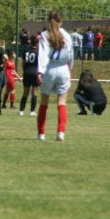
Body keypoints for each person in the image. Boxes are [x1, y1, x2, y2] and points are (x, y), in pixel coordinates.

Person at [36, 11, 74, 141]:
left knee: (44, 102)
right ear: (61, 21)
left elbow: (42, 54)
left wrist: (40, 72)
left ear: (48, 21)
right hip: (63, 68)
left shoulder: (44, 35)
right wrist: (70, 71)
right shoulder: (67, 36)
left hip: (49, 68)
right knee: (62, 102)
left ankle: (41, 134)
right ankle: (60, 132)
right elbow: (70, 56)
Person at [18, 35, 40, 116]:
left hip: (27, 73)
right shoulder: (38, 52)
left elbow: (23, 64)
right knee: (34, 92)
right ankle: (32, 111)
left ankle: (21, 111)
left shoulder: (26, 51)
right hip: (35, 72)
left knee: (25, 92)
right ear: (37, 43)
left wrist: (25, 71)